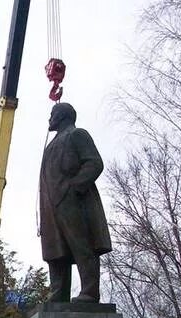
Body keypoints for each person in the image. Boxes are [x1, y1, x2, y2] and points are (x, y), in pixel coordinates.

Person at [39, 102, 111, 303]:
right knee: (56, 250)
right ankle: (58, 293)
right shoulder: (51, 145)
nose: (49, 118)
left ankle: (90, 291)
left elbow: (94, 162)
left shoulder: (77, 135)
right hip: (52, 206)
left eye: (52, 113)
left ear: (61, 116)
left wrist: (75, 187)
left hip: (74, 203)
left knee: (81, 245)